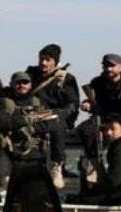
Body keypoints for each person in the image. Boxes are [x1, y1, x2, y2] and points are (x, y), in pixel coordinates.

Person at [0, 71, 56, 201]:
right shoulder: (2, 102)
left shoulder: (38, 103)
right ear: (12, 85)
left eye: (25, 82)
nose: (22, 86)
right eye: (18, 83)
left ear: (30, 85)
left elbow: (49, 123)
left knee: (37, 190)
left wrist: (30, 128)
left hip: (31, 152)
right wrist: (24, 121)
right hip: (7, 149)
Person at [76, 53, 121, 181]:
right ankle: (96, 166)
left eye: (112, 66)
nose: (108, 69)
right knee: (86, 130)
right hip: (103, 118)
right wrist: (87, 104)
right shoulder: (97, 82)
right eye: (106, 66)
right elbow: (92, 99)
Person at [25, 44, 80, 188]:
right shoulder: (30, 75)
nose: (43, 63)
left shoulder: (65, 79)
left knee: (57, 127)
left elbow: (73, 105)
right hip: (32, 117)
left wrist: (59, 114)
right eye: (41, 59)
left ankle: (57, 165)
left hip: (54, 118)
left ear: (55, 61)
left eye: (48, 59)